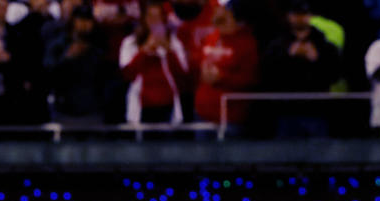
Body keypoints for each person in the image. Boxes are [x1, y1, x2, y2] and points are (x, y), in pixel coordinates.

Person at [261, 0, 340, 136]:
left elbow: (335, 75)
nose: (299, 18)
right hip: (286, 111)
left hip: (317, 110)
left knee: (319, 153)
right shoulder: (277, 45)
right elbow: (267, 75)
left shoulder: (324, 45)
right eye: (296, 14)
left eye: (303, 14)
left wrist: (316, 59)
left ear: (310, 16)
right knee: (286, 155)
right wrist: (287, 56)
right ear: (289, 16)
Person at [46, 5, 122, 123]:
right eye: (80, 20)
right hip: (65, 111)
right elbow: (48, 74)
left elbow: (109, 77)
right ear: (73, 21)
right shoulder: (59, 45)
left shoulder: (100, 45)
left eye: (87, 20)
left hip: (94, 111)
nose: (84, 24)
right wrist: (67, 58)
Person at [118, 0, 187, 123]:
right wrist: (144, 51)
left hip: (168, 105)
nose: (154, 22)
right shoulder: (130, 43)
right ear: (144, 19)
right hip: (142, 105)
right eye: (150, 17)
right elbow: (127, 75)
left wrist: (168, 50)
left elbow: (182, 78)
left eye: (158, 17)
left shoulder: (174, 43)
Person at [193, 2, 259, 131]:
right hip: (202, 114)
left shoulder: (247, 43)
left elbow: (251, 79)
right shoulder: (211, 38)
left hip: (230, 119)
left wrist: (221, 77)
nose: (214, 12)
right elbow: (198, 64)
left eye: (219, 9)